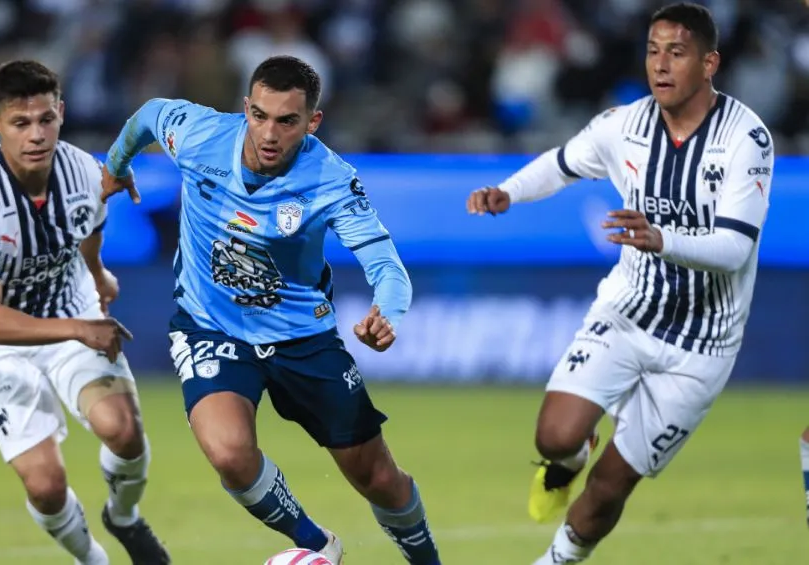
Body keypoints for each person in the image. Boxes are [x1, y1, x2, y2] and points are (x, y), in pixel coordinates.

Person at [99, 55, 442, 565]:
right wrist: (115, 166)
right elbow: (149, 113)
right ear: (246, 108)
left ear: (312, 123)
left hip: (303, 337)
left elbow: (386, 264)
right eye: (259, 115)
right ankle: (317, 545)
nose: (269, 133)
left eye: (287, 121)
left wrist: (387, 312)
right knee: (230, 455)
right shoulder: (200, 136)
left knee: (378, 478)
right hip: (209, 326)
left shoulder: (330, 179)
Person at [466, 3, 773, 563]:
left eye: (676, 52)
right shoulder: (623, 125)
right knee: (553, 438)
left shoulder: (745, 138)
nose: (661, 64)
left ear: (710, 64)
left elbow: (735, 250)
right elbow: (561, 163)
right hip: (629, 311)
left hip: (701, 346)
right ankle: (574, 450)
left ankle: (555, 560)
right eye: (653, 50)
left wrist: (662, 239)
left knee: (610, 486)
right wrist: (508, 192)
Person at [0, 60, 170, 565]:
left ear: (61, 114)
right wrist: (80, 328)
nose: (36, 134)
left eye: (46, 119)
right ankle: (93, 559)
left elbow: (88, 226)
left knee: (124, 431)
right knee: (46, 485)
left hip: (70, 306)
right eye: (21, 123)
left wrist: (97, 274)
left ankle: (124, 517)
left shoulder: (84, 171)